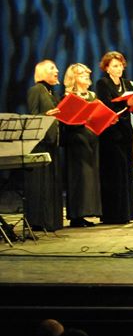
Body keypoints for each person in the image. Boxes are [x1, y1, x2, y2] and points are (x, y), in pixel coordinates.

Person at [95, 51, 133, 224]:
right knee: (114, 172)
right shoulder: (102, 83)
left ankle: (126, 213)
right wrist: (127, 103)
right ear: (107, 68)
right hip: (110, 132)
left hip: (125, 130)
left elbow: (130, 108)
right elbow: (107, 106)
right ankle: (113, 214)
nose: (119, 69)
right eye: (115, 66)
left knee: (126, 171)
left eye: (120, 65)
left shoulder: (127, 83)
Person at [25, 59, 63, 231]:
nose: (57, 71)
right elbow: (32, 117)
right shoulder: (36, 90)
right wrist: (46, 115)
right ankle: (40, 221)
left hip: (52, 143)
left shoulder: (50, 92)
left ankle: (52, 221)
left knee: (52, 183)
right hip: (40, 144)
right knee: (42, 184)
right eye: (52, 68)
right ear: (42, 72)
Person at [62, 63, 102, 227]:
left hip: (92, 138)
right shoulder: (68, 96)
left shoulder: (92, 95)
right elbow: (66, 120)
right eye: (81, 74)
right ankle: (76, 215)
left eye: (87, 73)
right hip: (77, 140)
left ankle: (87, 212)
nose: (86, 76)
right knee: (79, 177)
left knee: (90, 178)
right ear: (73, 78)